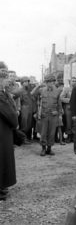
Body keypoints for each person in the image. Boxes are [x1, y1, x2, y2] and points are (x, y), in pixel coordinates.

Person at [31, 74, 63, 156]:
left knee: (52, 133)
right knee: (43, 132)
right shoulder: (41, 90)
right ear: (45, 82)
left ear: (54, 82)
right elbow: (32, 94)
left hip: (53, 115)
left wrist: (58, 112)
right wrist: (38, 85)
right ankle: (43, 149)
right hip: (43, 115)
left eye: (52, 82)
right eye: (48, 82)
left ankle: (49, 148)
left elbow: (59, 103)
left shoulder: (57, 91)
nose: (50, 83)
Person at [0, 63, 19, 201]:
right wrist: (15, 121)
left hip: (4, 130)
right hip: (2, 131)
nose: (9, 81)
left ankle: (2, 186)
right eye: (6, 77)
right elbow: (10, 115)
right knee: (2, 159)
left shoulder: (4, 93)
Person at [60, 77, 76, 143]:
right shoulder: (66, 89)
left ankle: (73, 136)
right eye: (73, 81)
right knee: (68, 122)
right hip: (69, 107)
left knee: (75, 122)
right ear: (70, 82)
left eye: (75, 81)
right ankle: (69, 136)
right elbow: (61, 98)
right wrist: (70, 100)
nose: (74, 82)